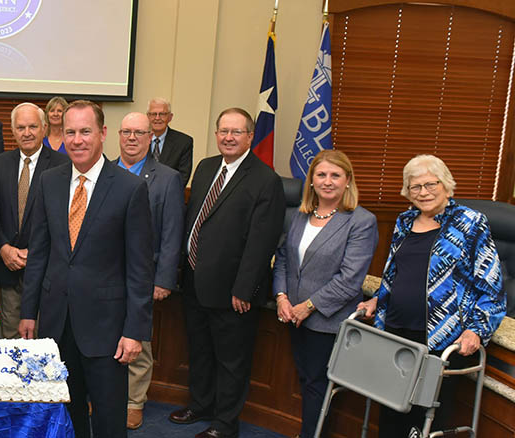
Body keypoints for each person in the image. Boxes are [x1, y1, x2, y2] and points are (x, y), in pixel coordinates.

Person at [20, 100, 154, 438]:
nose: (77, 140)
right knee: (65, 414)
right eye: (70, 132)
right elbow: (39, 253)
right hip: (57, 322)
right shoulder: (48, 182)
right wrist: (28, 313)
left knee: (109, 421)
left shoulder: (129, 188)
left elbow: (139, 268)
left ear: (103, 134)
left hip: (107, 331)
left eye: (85, 132)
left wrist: (135, 330)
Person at [358, 154, 506, 438]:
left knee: (423, 421)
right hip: (395, 332)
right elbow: (394, 273)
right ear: (407, 191)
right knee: (389, 413)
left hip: (440, 338)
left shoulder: (469, 222)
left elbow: (492, 287)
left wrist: (477, 329)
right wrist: (378, 299)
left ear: (446, 185)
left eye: (430, 184)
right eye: (415, 187)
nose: (423, 192)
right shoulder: (404, 221)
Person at [170, 107, 284, 438]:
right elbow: (196, 219)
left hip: (233, 291)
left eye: (236, 132)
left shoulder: (266, 180)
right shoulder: (206, 168)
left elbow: (262, 243)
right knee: (200, 351)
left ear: (250, 136)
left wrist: (244, 290)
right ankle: (201, 404)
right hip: (194, 281)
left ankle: (224, 423)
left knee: (231, 361)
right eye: (223, 131)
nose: (229, 137)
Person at [271, 150, 377, 438]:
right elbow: (282, 258)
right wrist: (281, 296)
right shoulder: (300, 216)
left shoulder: (361, 221)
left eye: (335, 175)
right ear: (312, 181)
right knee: (306, 379)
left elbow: (349, 280)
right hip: (293, 315)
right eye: (321, 175)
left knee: (318, 385)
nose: (327, 181)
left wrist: (308, 306)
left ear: (347, 181)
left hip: (328, 321)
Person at [115, 112, 185, 430]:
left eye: (139, 133)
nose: (132, 138)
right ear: (117, 135)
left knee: (138, 341)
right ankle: (104, 395)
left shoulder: (167, 178)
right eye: (126, 132)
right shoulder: (105, 171)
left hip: (144, 274)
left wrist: (164, 278)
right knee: (101, 337)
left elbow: (172, 232)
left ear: (150, 137)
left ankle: (133, 402)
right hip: (104, 274)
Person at [0, 103, 69, 338]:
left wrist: (33, 252)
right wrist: (3, 247)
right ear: (12, 131)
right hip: (8, 267)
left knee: (44, 339)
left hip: (46, 270)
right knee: (11, 339)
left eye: (33, 126)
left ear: (44, 128)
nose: (27, 133)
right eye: (21, 127)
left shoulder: (63, 165)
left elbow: (62, 219)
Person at [147, 97, 194, 188]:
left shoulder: (184, 142)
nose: (157, 118)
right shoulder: (140, 139)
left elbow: (182, 178)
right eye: (153, 114)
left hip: (168, 195)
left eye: (162, 114)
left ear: (170, 117)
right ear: (148, 117)